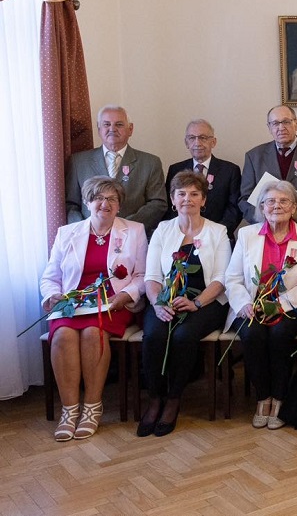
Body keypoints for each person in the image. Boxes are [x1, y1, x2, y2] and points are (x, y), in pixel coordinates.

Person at [40, 176, 148, 441]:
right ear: (88, 202)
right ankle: (69, 409)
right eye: (98, 198)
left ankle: (92, 406)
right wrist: (53, 295)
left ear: (119, 205)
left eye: (112, 199)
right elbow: (50, 275)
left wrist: (125, 295)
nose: (105, 203)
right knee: (63, 336)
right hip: (73, 303)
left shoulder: (134, 230)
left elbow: (143, 275)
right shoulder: (68, 232)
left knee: (93, 334)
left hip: (113, 303)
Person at [139, 171, 232, 437]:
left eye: (194, 194)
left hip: (207, 302)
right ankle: (155, 398)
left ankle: (174, 399)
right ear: (172, 199)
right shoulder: (163, 230)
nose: (187, 199)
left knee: (182, 336)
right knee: (154, 335)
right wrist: (158, 304)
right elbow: (152, 276)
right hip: (165, 300)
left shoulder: (218, 231)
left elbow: (221, 278)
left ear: (204, 200)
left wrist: (196, 303)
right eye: (181, 194)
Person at [224, 180, 297, 430]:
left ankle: (280, 398)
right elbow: (232, 278)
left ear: (294, 206)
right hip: (251, 305)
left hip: (292, 306)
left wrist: (281, 305)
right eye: (270, 201)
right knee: (253, 334)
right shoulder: (246, 235)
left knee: (279, 334)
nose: (277, 206)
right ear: (262, 207)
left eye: (284, 201)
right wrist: (244, 303)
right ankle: (262, 397)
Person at [66, 105, 168, 237]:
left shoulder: (150, 162)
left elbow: (158, 203)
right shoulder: (78, 162)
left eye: (119, 124)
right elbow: (71, 204)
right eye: (106, 124)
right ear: (99, 129)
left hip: (132, 237)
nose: (112, 129)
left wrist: (125, 227)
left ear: (130, 129)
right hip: (88, 238)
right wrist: (86, 229)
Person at [239, 105, 297, 227]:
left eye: (286, 122)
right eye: (275, 123)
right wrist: (266, 220)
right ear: (269, 127)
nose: (281, 128)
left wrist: (295, 220)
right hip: (265, 229)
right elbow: (245, 199)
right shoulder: (254, 156)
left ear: (296, 124)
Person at [164, 119, 241, 242]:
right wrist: (182, 233)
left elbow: (234, 209)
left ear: (213, 142)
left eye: (203, 137)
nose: (197, 143)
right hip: (181, 238)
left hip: (219, 238)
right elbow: (170, 205)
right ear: (186, 143)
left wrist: (215, 233)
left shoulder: (230, 170)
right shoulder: (175, 169)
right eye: (192, 138)